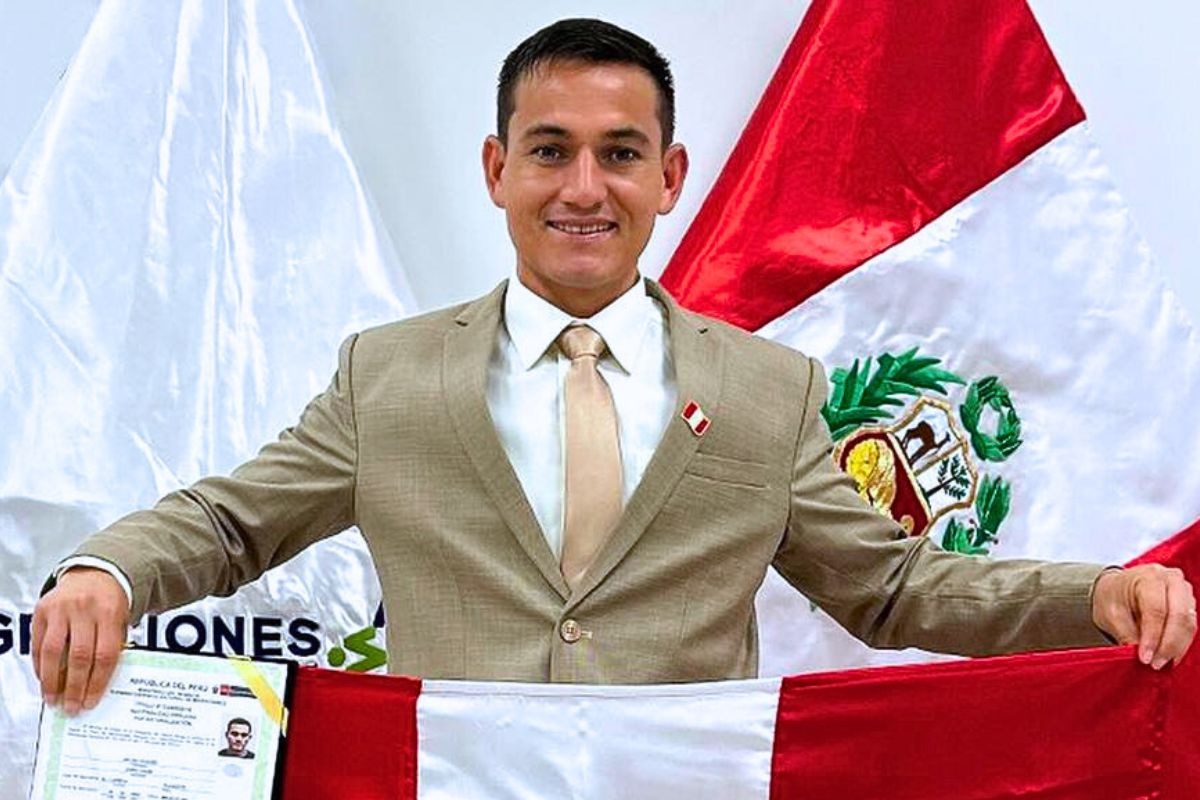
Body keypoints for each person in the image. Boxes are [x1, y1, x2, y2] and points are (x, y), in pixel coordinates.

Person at [32, 18, 1196, 715]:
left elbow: (894, 590)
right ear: (497, 169)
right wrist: (105, 571)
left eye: (620, 154)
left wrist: (1089, 594)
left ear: (668, 176)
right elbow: (230, 522)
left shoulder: (767, 390)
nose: (584, 188)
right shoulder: (386, 377)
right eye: (550, 151)